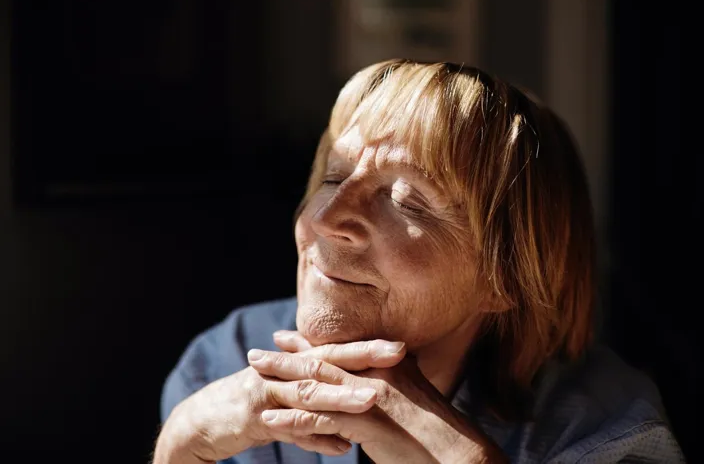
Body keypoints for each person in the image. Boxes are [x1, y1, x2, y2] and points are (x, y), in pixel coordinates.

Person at [152, 59, 684, 463]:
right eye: (333, 177)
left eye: (406, 200)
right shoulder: (224, 359)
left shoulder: (608, 426)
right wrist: (179, 444)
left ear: (506, 276)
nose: (328, 216)